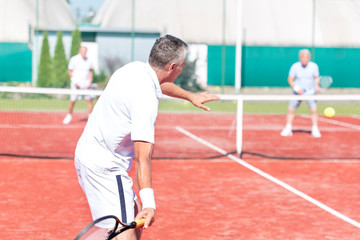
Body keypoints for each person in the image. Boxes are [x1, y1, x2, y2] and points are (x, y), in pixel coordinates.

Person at [74, 35, 219, 240]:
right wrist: (150, 204)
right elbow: (143, 158)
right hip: (106, 169)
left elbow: (161, 83)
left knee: (133, 216)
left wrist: (190, 95)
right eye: (182, 66)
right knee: (125, 233)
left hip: (87, 155)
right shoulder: (145, 100)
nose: (182, 70)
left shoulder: (135, 69)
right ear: (172, 66)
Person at [280, 49, 321, 138]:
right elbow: (290, 79)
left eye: (306, 57)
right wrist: (297, 88)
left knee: (314, 110)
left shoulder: (314, 66)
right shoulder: (295, 66)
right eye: (302, 57)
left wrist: (316, 86)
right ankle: (288, 128)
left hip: (310, 92)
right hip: (297, 93)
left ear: (309, 58)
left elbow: (316, 78)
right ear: (300, 58)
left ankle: (315, 129)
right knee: (290, 109)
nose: (304, 59)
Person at [63, 46, 94, 124]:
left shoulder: (89, 60)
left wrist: (90, 82)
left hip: (86, 84)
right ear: (79, 51)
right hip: (76, 84)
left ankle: (91, 118)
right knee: (73, 101)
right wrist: (75, 82)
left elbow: (90, 71)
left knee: (89, 100)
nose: (84, 53)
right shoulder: (74, 59)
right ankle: (69, 116)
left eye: (85, 51)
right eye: (82, 51)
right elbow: (70, 71)